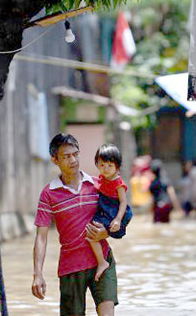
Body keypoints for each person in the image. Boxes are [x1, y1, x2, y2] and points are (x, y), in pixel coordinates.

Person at [32, 133, 118, 316]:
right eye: (66, 156)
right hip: (71, 267)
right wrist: (37, 274)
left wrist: (107, 232)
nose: (73, 160)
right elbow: (41, 236)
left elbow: (119, 216)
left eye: (75, 154)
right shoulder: (48, 194)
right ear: (55, 160)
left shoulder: (98, 185)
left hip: (102, 261)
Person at [89, 144, 132, 282]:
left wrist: (118, 219)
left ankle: (102, 262)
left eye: (109, 166)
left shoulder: (118, 183)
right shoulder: (101, 178)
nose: (105, 169)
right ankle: (101, 261)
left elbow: (123, 202)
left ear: (117, 166)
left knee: (94, 234)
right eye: (102, 165)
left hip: (113, 211)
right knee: (91, 233)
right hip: (103, 208)